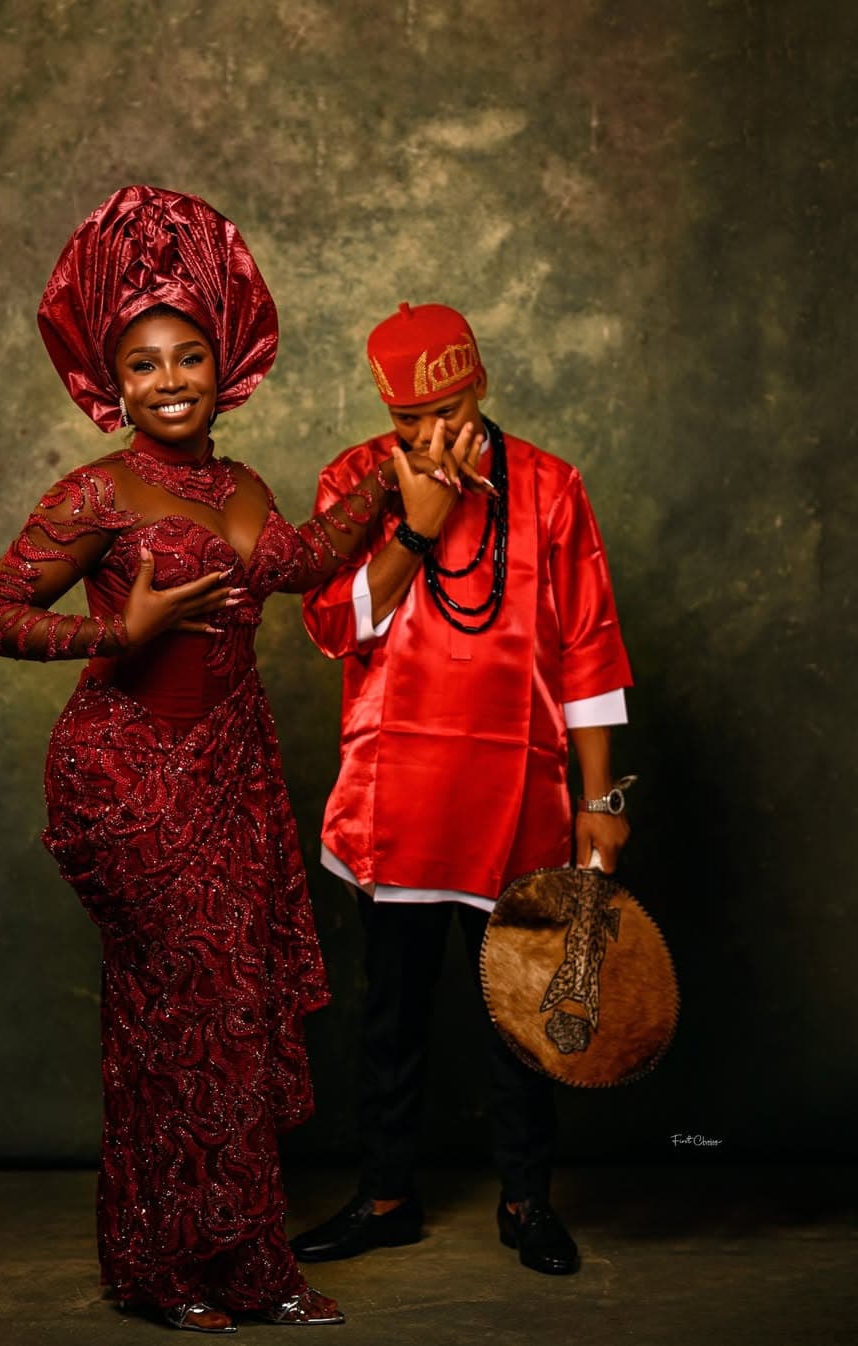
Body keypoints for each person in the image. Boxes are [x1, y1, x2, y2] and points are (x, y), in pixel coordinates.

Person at [0, 188, 428, 1332]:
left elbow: (314, 561)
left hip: (227, 770)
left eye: (188, 357)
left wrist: (401, 485)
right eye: (143, 365)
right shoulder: (98, 493)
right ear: (110, 385)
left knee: (223, 1008)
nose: (169, 380)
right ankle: (163, 1267)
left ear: (225, 368)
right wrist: (114, 634)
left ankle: (244, 1263)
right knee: (188, 1011)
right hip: (125, 773)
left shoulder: (244, 491)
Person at [292, 302, 634, 1277]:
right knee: (390, 1010)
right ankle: (388, 1191)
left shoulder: (552, 488)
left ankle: (527, 1199)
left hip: (514, 794)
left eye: (451, 414)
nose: (434, 439)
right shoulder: (357, 482)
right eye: (411, 426)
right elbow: (331, 623)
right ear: (389, 417)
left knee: (516, 1013)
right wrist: (415, 522)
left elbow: (590, 654)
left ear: (477, 390)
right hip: (395, 796)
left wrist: (601, 806)